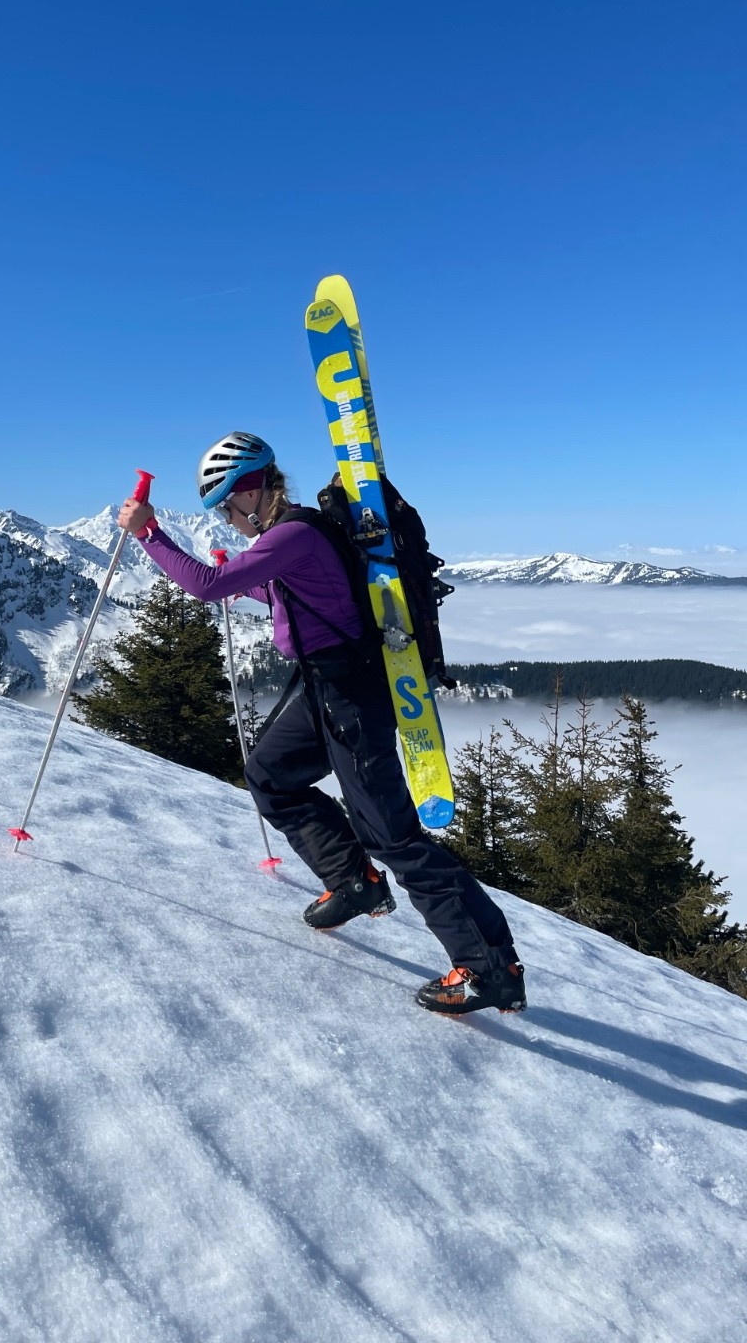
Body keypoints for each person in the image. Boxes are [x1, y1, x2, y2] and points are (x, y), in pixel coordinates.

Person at [117, 430, 526, 1017]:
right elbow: (290, 589)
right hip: (322, 687)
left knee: (394, 836)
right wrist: (245, 573)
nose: (226, 518)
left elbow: (208, 589)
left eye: (227, 504)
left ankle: (492, 969)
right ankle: (353, 880)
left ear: (254, 489)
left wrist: (150, 535)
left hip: (351, 694)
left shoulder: (295, 533)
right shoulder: (296, 534)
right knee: (270, 775)